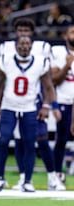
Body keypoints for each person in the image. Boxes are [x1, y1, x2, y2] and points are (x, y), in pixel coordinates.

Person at [0, 17, 65, 191]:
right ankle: (23, 177)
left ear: (32, 33)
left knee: (41, 139)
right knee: (20, 140)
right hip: (14, 99)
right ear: (16, 33)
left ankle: (53, 176)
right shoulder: (7, 48)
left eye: (26, 31)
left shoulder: (42, 48)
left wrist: (48, 104)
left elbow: (48, 79)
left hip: (35, 99)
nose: (23, 34)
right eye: (20, 30)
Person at [51, 24, 74, 188]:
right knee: (62, 139)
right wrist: (67, 65)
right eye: (73, 32)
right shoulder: (58, 52)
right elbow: (54, 80)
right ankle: (56, 174)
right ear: (66, 35)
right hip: (64, 100)